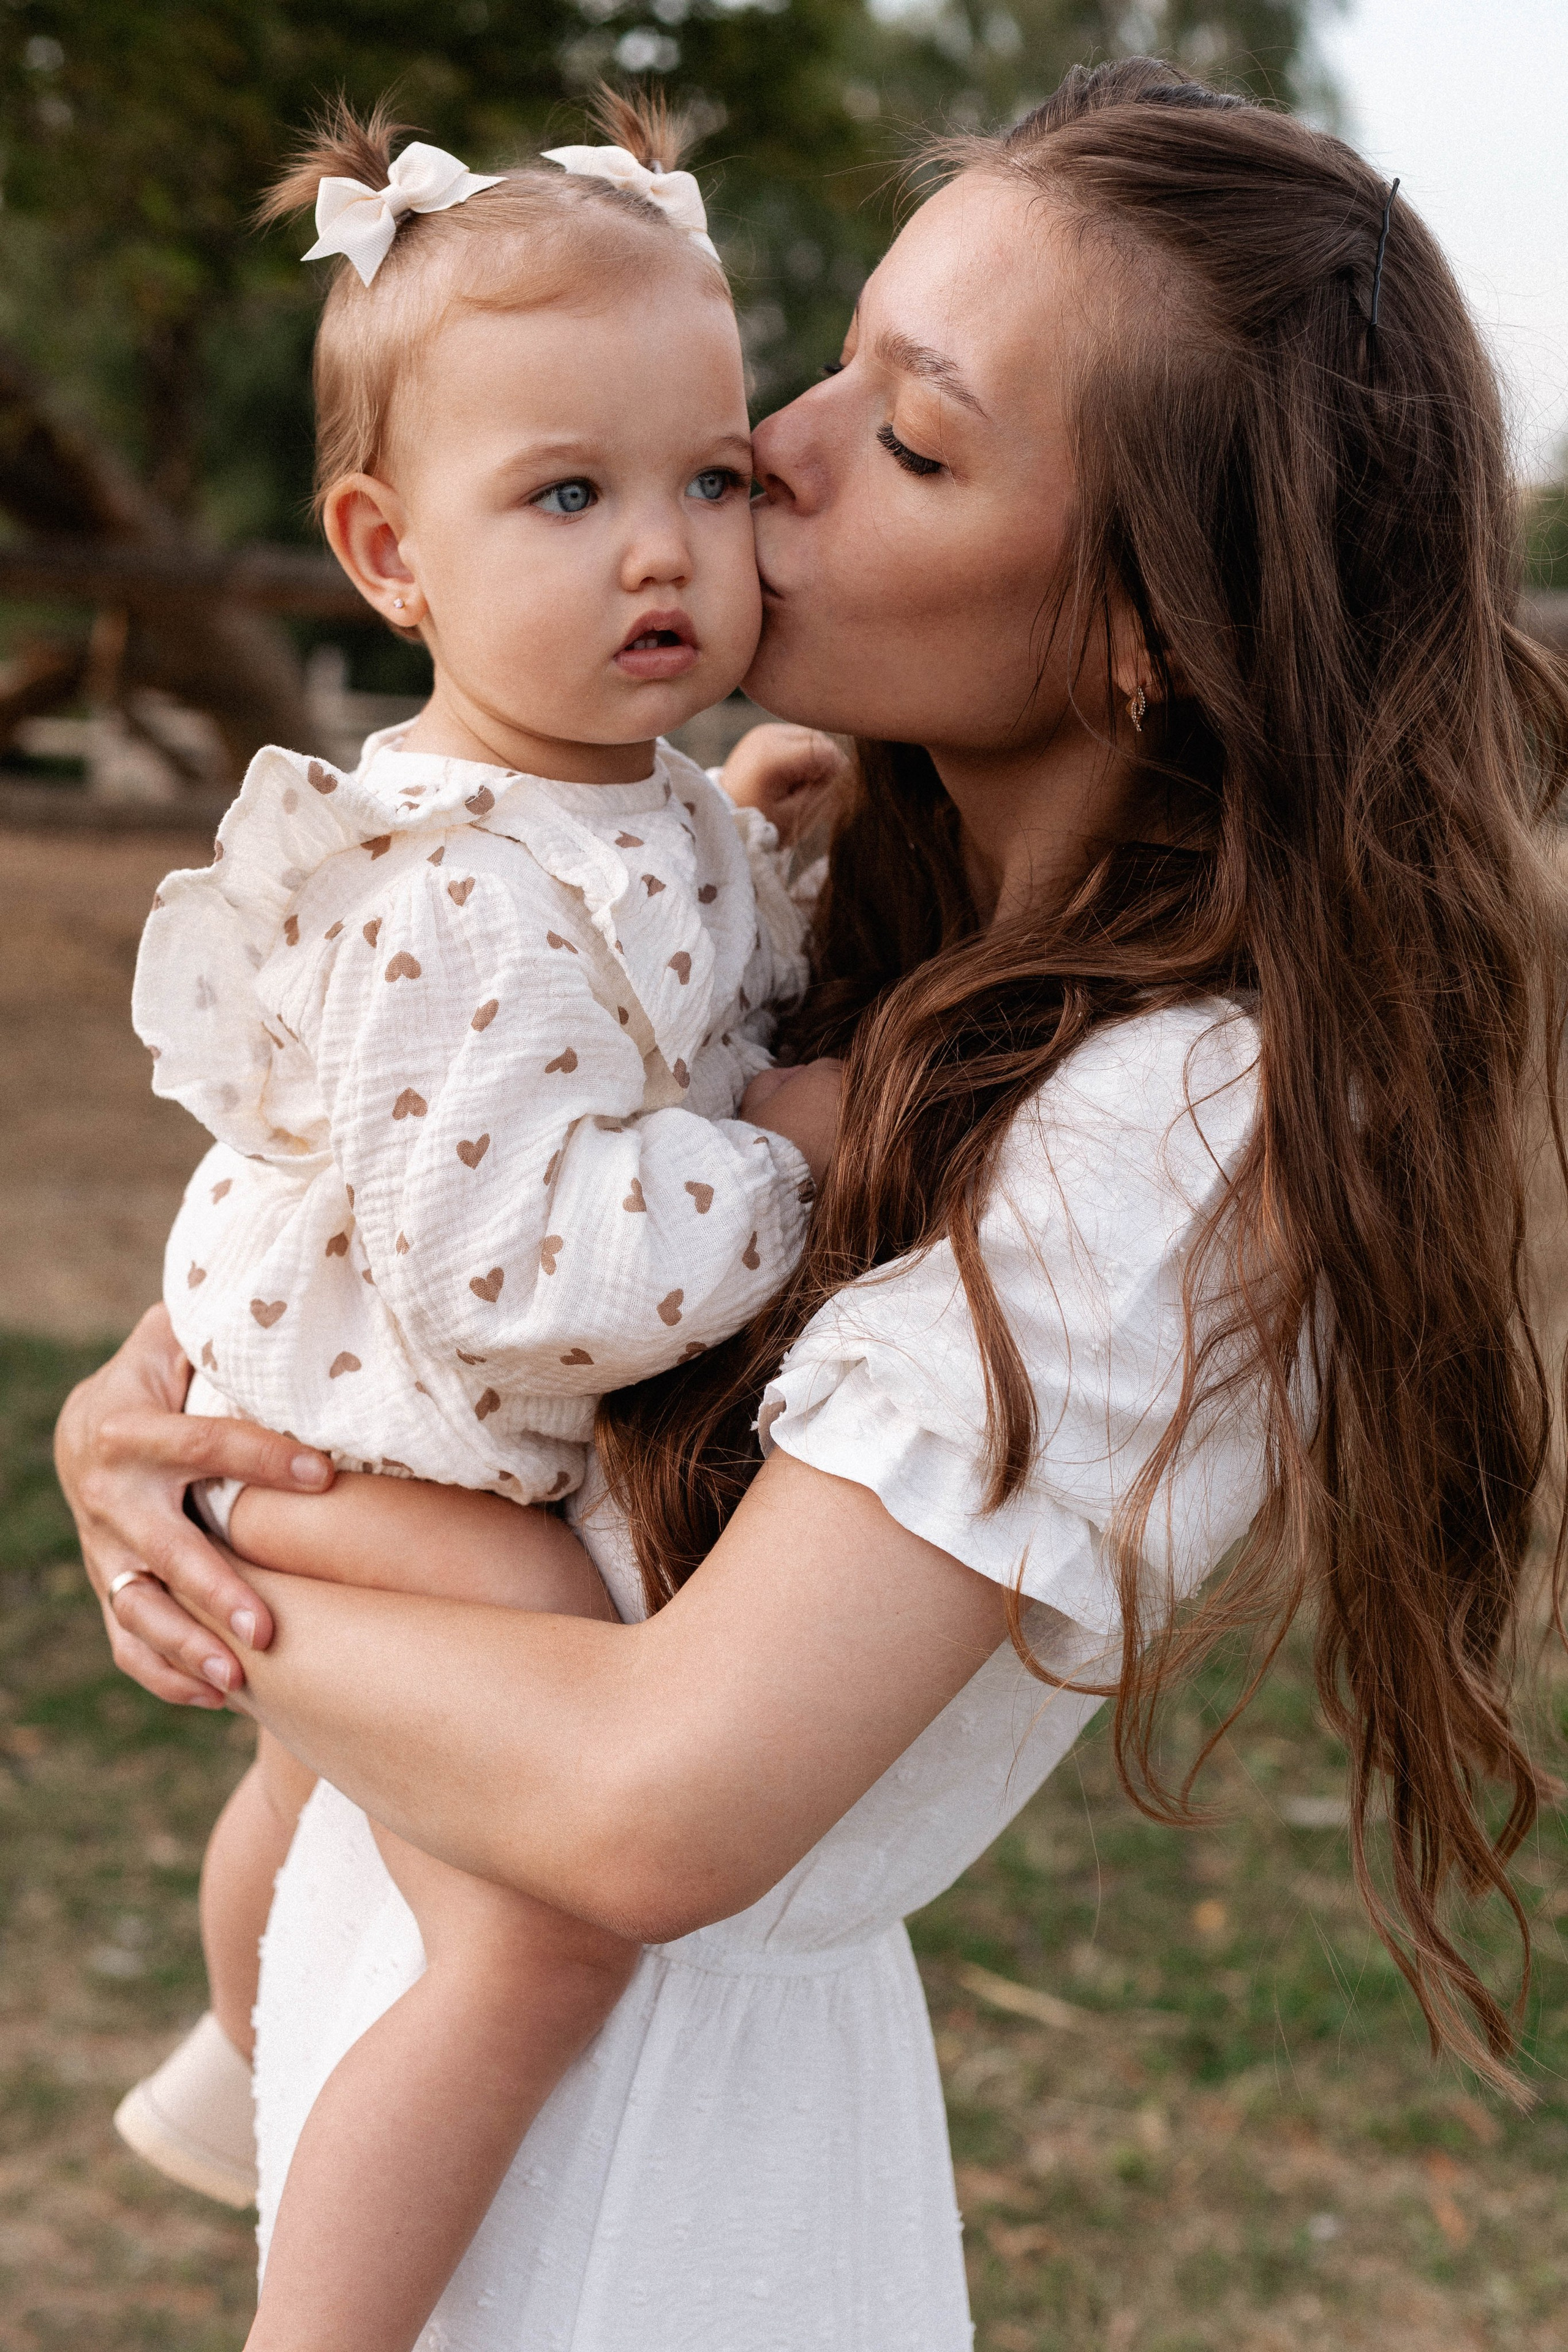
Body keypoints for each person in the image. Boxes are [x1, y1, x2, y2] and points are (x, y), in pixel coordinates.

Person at [56, 58, 1568, 2352]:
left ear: (1158, 629)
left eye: (923, 439)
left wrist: (197, 1575)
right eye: (834, 361)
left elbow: (661, 1810)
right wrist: (165, 1430)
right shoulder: (806, 884)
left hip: (648, 2178)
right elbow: (415, 1222)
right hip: (444, 1976)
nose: (779, 452)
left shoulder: (1179, 1131)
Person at [112, 87, 844, 2350]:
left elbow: (639, 998)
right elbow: (532, 1282)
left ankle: (244, 2058)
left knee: (307, 1765)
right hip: (380, 1431)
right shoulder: (445, 892)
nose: (663, 553)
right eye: (566, 496)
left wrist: (763, 845)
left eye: (709, 479)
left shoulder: (614, 804)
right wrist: (802, 1147)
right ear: (386, 554)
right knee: (539, 1929)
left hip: (364, 1395)